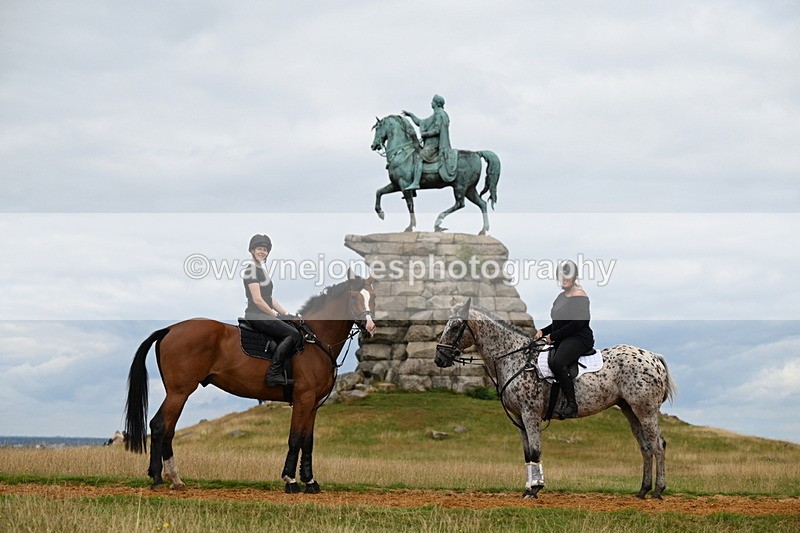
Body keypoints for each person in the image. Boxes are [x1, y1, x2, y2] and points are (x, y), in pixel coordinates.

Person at [534, 260, 594, 419]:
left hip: (579, 337)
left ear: (574, 277)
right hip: (564, 337)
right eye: (561, 275)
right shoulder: (560, 297)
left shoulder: (580, 296)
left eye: (567, 275)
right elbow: (558, 323)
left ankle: (572, 405)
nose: (564, 278)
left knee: (557, 362)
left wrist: (553, 336)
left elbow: (577, 323)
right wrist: (543, 331)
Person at [243, 234, 303, 387]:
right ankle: (273, 374)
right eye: (259, 249)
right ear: (252, 250)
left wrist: (285, 313)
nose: (262, 252)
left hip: (264, 313)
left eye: (265, 249)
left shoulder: (261, 271)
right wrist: (274, 315)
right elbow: (258, 300)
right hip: (256, 314)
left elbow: (269, 298)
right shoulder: (251, 271)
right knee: (293, 334)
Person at [401, 94, 457, 189]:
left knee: (419, 157)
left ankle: (416, 182)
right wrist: (411, 115)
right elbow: (420, 122)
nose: (431, 103)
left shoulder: (440, 114)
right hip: (429, 145)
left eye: (432, 101)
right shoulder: (435, 115)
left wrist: (425, 134)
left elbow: (437, 130)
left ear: (436, 103)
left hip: (434, 146)